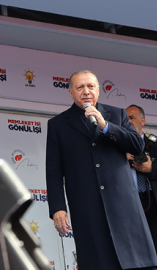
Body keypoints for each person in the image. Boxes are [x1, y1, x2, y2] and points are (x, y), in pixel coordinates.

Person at [46, 70, 157, 270]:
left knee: (139, 264)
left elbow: (136, 146)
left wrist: (106, 126)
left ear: (98, 89)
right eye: (80, 87)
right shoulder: (58, 125)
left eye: (90, 86)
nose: (86, 91)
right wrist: (57, 208)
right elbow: (53, 170)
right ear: (71, 93)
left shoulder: (117, 114)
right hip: (87, 209)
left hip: (124, 207)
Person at [126, 104, 157, 251]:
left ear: (142, 121)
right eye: (125, 119)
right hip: (129, 204)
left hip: (153, 202)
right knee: (136, 249)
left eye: (132, 117)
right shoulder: (116, 149)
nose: (129, 121)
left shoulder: (154, 144)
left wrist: (152, 168)